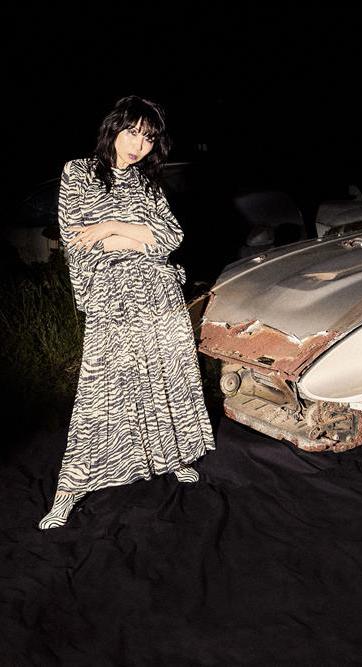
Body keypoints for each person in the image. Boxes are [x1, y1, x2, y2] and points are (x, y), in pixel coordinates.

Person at [38, 96, 214, 529]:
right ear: (113, 128)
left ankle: (174, 456)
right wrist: (134, 239)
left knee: (167, 378)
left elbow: (172, 237)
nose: (138, 145)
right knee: (102, 391)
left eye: (148, 138)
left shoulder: (148, 185)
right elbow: (77, 241)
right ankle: (69, 489)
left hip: (159, 294)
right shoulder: (78, 172)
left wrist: (114, 228)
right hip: (112, 297)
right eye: (132, 132)